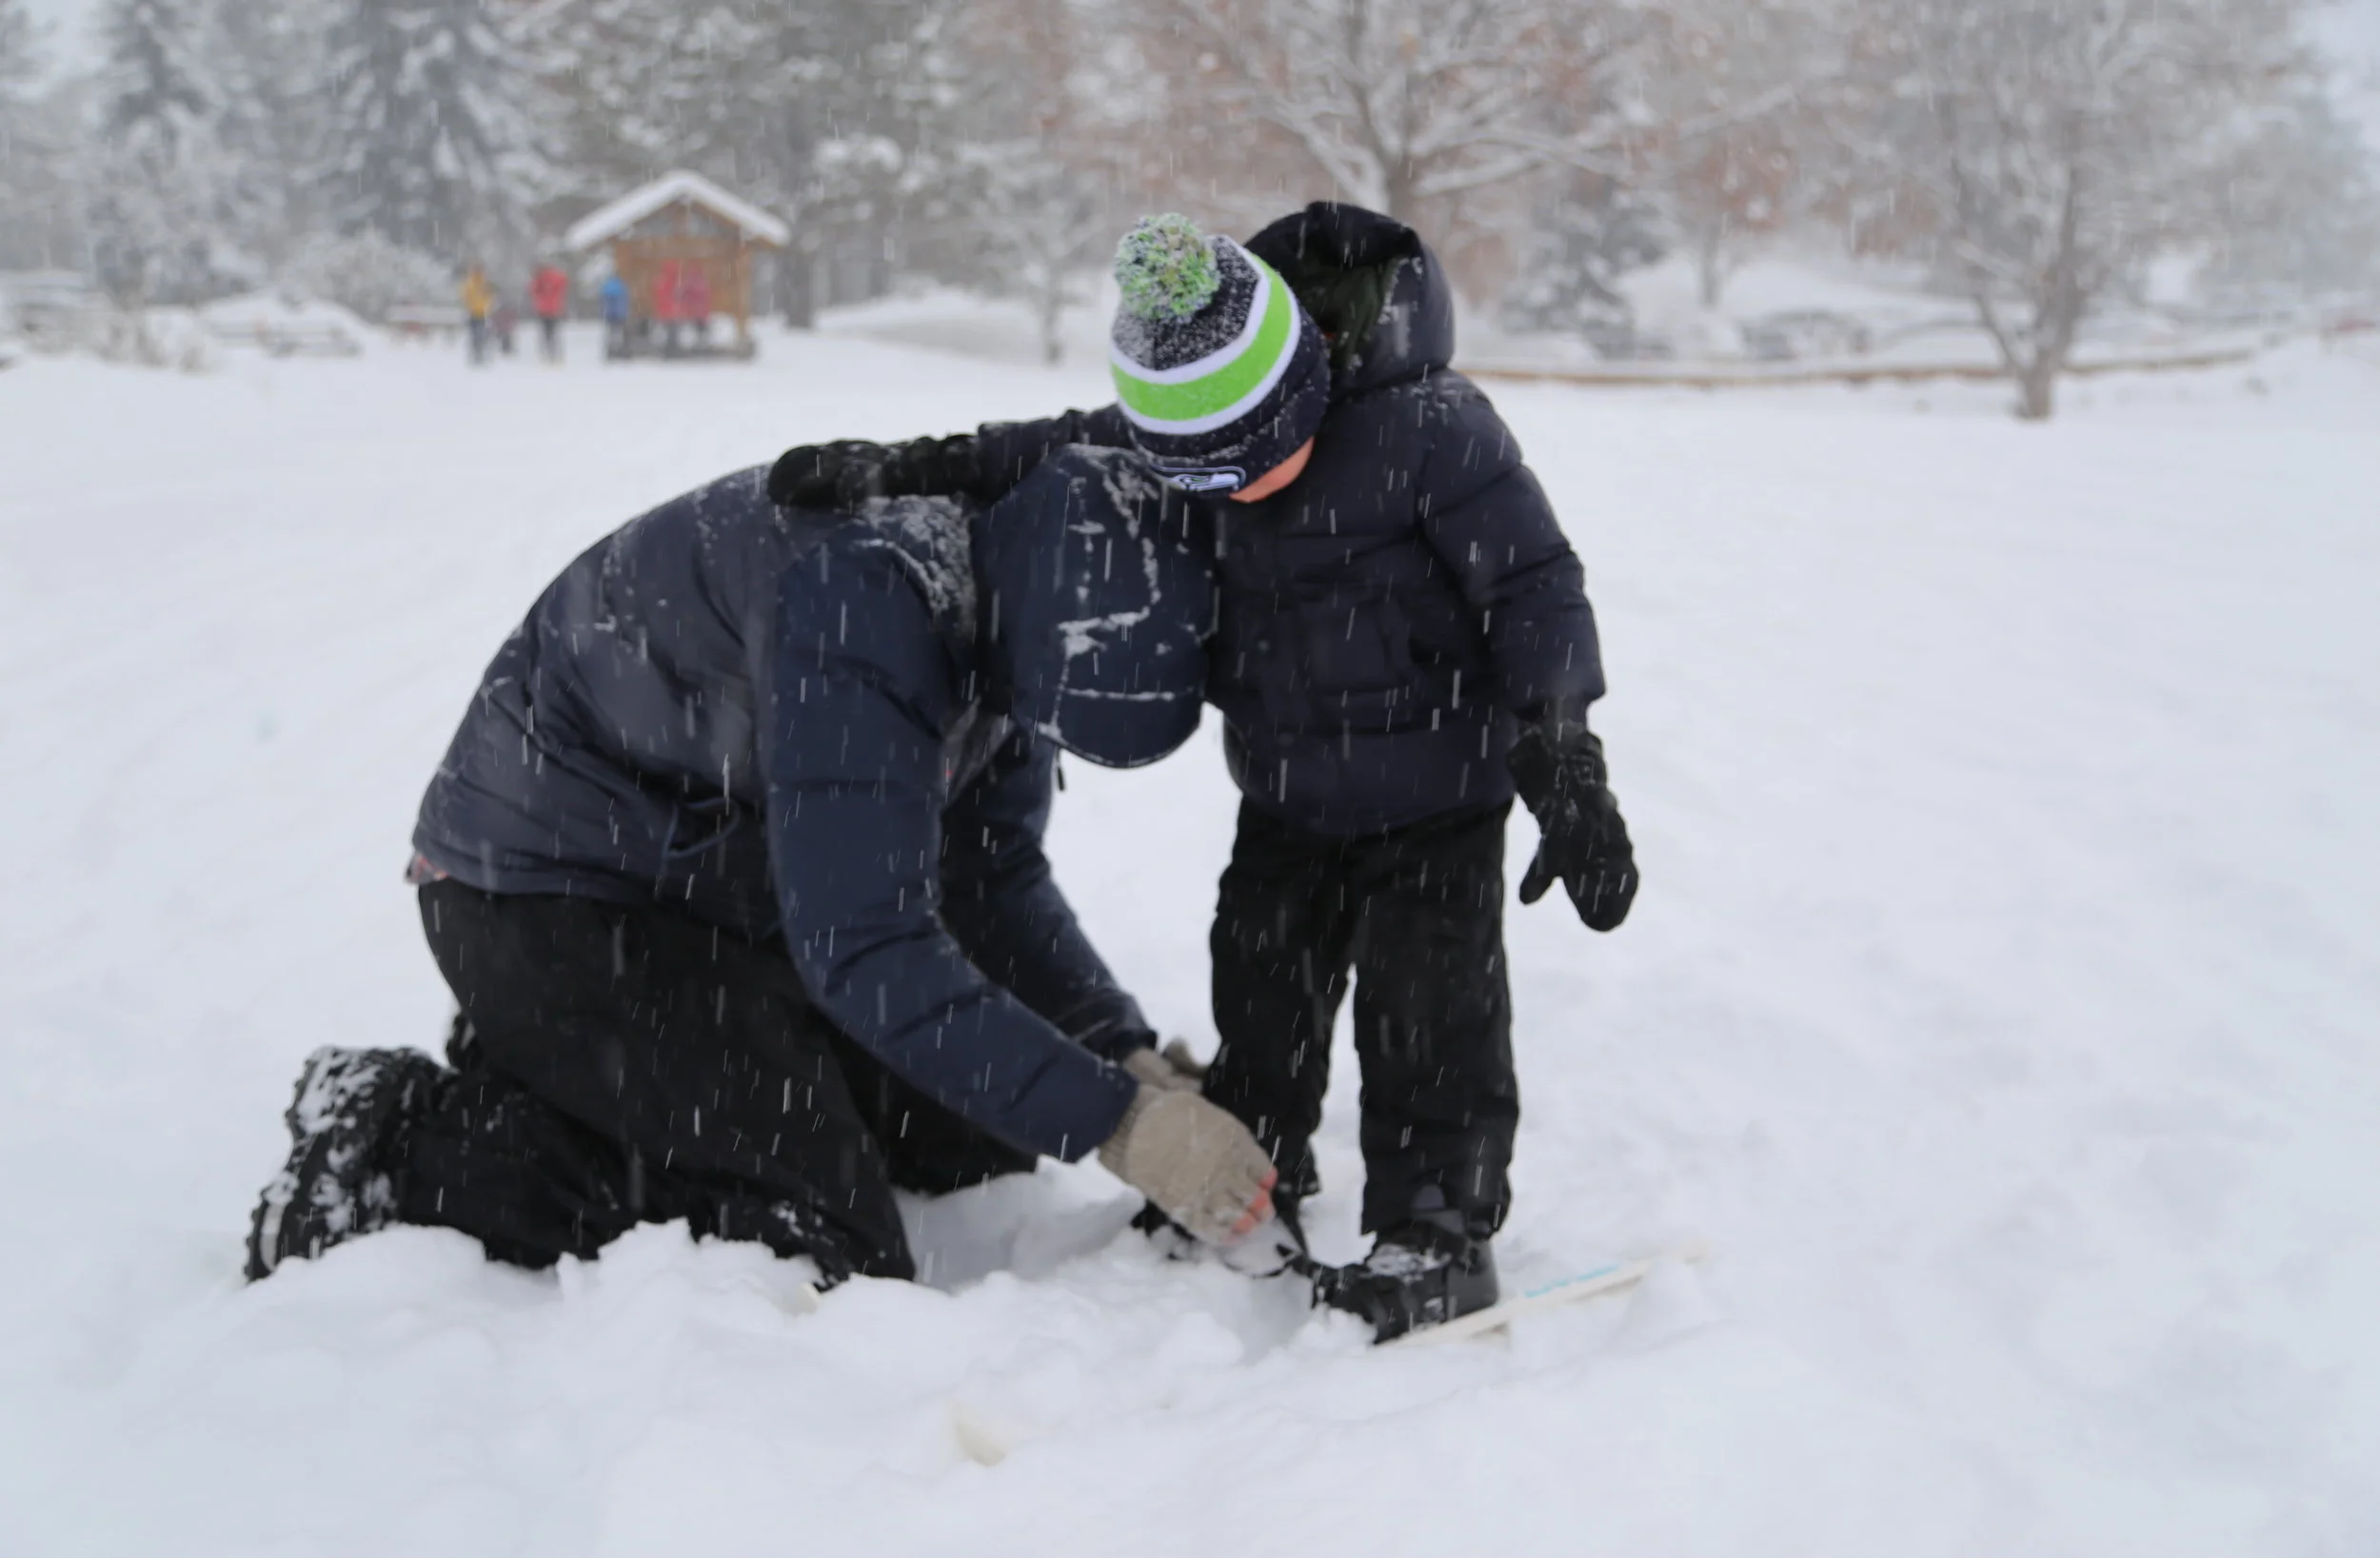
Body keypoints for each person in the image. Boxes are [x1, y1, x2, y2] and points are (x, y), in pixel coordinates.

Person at [768, 206, 1637, 1338]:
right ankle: (1254, 1162)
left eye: (1246, 461)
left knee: (1430, 1016)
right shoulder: (1192, 440)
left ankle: (1438, 1227)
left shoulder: (1432, 430)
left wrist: (1562, 743)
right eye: (1202, 475)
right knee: (1260, 985)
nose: (1231, 493)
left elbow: (1535, 585)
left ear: (1301, 384)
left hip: (1439, 794)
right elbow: (1043, 445)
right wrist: (903, 466)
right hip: (1284, 793)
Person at [245, 448, 1281, 1288]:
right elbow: (869, 945)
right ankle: (410, 1137)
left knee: (968, 1141)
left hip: (721, 889)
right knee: (818, 1236)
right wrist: (1121, 1124)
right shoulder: (860, 607)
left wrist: (1120, 1053)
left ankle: (584, 1064)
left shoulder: (1024, 597)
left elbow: (992, 870)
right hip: (552, 894)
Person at [531, 262, 568, 363]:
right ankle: (555, 354)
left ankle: (548, 353)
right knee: (554, 332)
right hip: (554, 309)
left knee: (546, 333)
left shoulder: (540, 278)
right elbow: (564, 284)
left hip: (544, 309)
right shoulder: (557, 277)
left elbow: (533, 290)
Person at [460, 265, 493, 365]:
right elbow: (465, 296)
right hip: (475, 313)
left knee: (479, 335)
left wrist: (485, 305)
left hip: (481, 313)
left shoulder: (482, 284)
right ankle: (477, 354)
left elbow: (489, 296)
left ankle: (479, 353)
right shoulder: (472, 284)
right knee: (476, 335)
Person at [599, 271, 630, 358]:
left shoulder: (607, 286)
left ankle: (610, 351)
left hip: (609, 315)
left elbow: (603, 301)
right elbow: (624, 301)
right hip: (620, 315)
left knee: (611, 334)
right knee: (619, 334)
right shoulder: (621, 286)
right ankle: (619, 351)